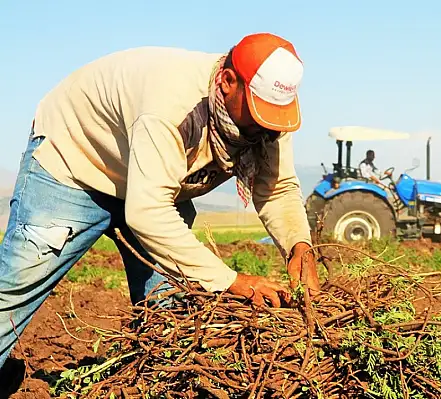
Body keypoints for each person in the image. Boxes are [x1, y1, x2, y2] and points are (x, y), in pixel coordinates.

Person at [0, 32, 321, 370]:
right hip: (76, 162)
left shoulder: (268, 121)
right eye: (258, 113)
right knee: (14, 289)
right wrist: (232, 281)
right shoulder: (172, 104)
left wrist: (299, 247)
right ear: (228, 81)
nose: (264, 127)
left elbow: (278, 187)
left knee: (168, 317)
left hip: (156, 185)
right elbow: (148, 211)